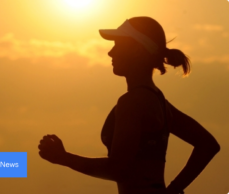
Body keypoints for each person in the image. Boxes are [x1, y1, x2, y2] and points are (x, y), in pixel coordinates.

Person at [38, 17, 221, 194]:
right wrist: (173, 190)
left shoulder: (132, 102)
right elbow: (208, 145)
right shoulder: (158, 101)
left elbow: (118, 169)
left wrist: (63, 158)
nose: (111, 52)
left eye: (118, 44)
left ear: (137, 50)